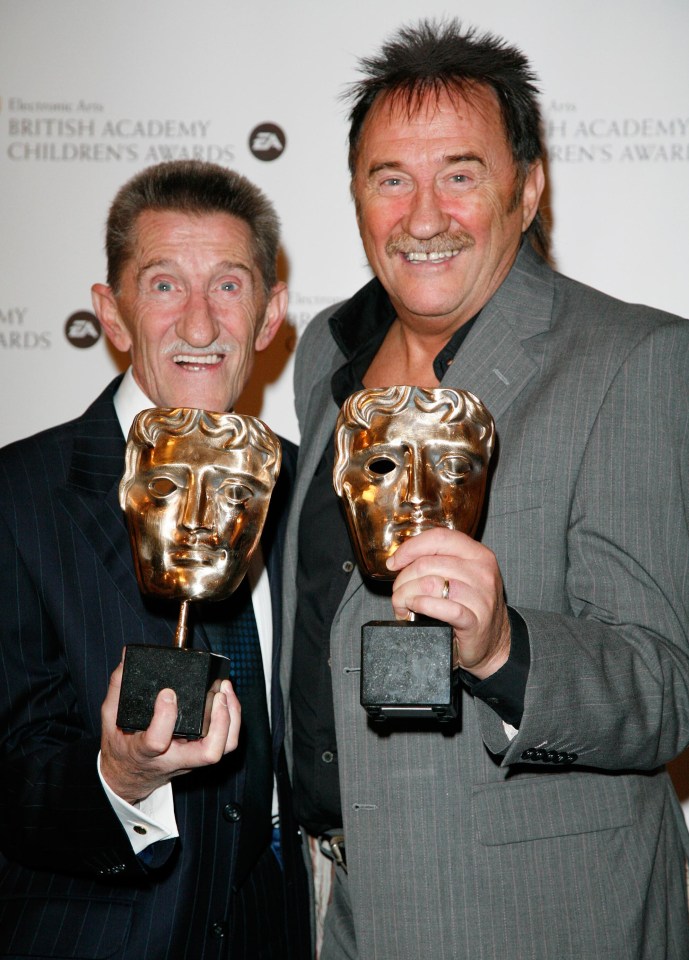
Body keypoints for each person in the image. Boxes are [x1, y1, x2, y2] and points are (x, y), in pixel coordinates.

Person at [281, 20, 689, 959]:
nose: (423, 217)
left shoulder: (632, 361)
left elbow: (666, 688)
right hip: (324, 905)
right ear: (356, 196)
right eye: (391, 179)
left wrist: (506, 647)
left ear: (527, 188)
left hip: (530, 915)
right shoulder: (324, 357)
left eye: (459, 174)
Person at [0, 160, 310, 959]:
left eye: (230, 287)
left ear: (270, 314)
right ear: (113, 313)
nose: (200, 326)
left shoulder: (320, 489)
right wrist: (121, 778)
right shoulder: (18, 496)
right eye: (165, 285)